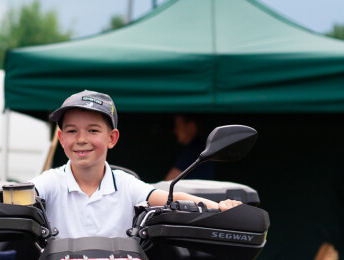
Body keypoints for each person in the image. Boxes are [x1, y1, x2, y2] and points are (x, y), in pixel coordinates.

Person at [29, 90, 240, 239]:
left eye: (93, 130)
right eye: (72, 131)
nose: (81, 139)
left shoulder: (126, 185)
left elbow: (172, 198)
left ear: (112, 138)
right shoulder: (49, 181)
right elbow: (13, 197)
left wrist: (220, 207)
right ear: (61, 137)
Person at [164, 114, 215, 181]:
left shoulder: (194, 150)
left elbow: (169, 182)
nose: (175, 131)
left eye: (178, 126)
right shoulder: (199, 147)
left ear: (191, 126)